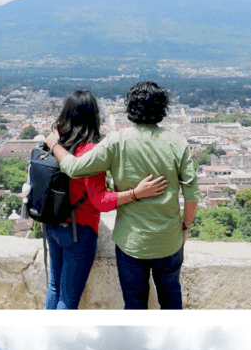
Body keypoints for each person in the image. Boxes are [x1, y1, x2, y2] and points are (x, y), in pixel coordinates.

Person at [45, 81, 200, 309]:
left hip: (131, 241)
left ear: (130, 108)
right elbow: (191, 195)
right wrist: (185, 228)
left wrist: (54, 145)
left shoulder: (117, 141)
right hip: (169, 240)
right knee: (171, 302)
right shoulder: (177, 143)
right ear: (162, 109)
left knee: (134, 305)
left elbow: (75, 168)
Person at [32, 90, 166, 309]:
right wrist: (136, 193)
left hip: (51, 225)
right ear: (94, 117)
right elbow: (101, 201)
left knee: (54, 288)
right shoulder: (90, 150)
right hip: (79, 229)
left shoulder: (55, 144)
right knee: (68, 299)